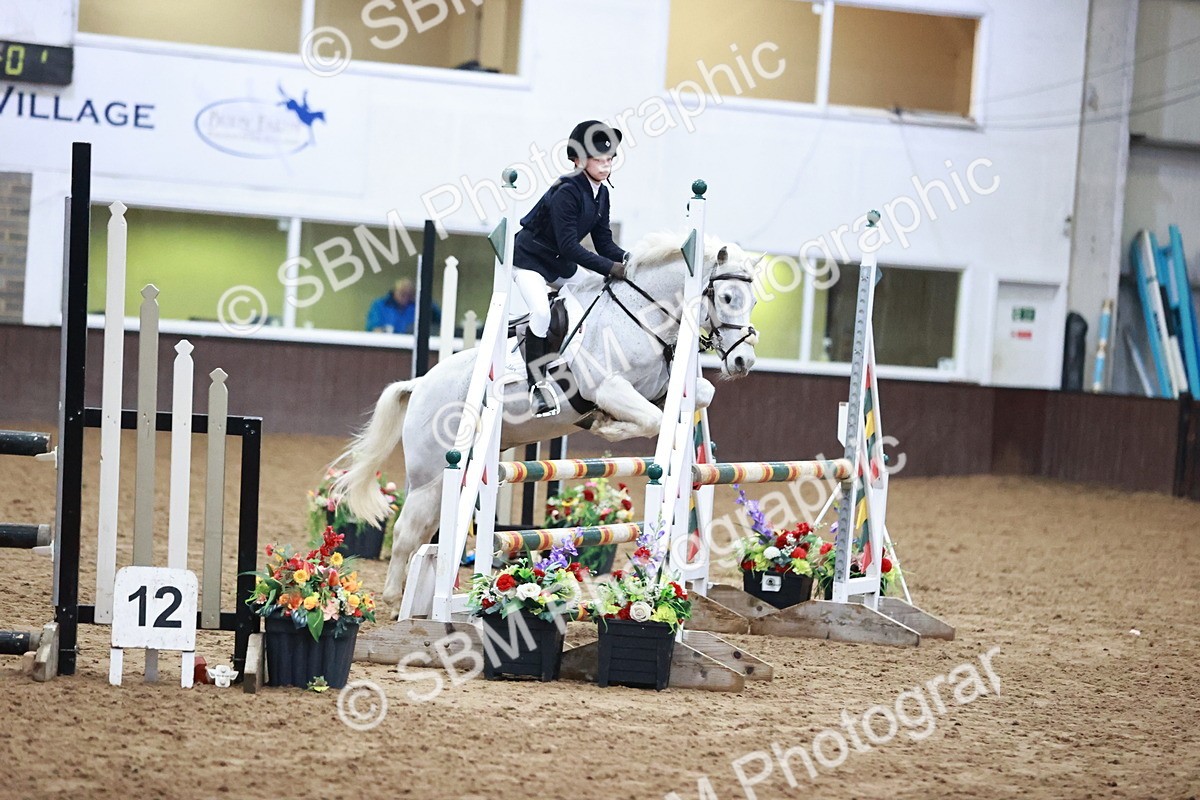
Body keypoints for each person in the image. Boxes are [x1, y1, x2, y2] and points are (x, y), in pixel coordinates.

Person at [513, 119, 630, 417]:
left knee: (596, 298)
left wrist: (631, 261)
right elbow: (569, 246)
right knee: (540, 312)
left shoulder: (601, 193)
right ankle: (536, 386)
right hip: (528, 260)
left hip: (557, 264)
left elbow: (604, 243)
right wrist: (609, 268)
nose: (605, 167)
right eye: (598, 160)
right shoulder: (567, 191)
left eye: (609, 160)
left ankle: (576, 370)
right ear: (578, 160)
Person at [366, 278, 439, 334]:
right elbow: (374, 329)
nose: (406, 298)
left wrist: (424, 298)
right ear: (395, 291)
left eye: (409, 295)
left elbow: (439, 319)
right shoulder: (379, 305)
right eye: (402, 293)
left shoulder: (416, 307)